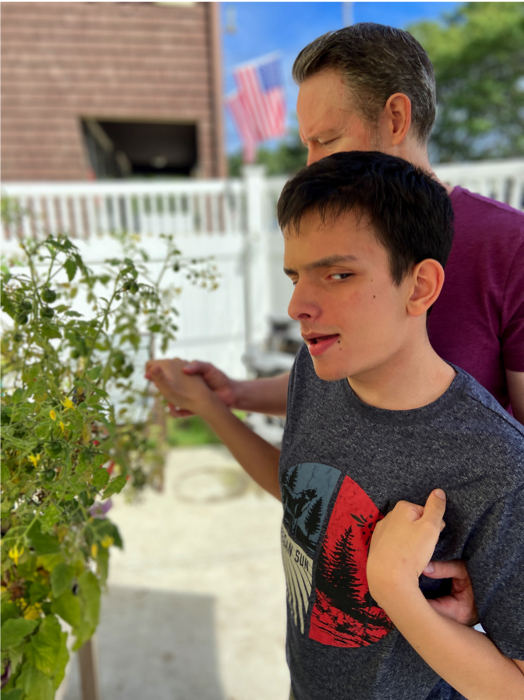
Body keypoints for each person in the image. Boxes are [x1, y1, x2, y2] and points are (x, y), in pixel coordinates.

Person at [146, 151, 524, 700]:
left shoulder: (495, 462)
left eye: (338, 274)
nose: (299, 303)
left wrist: (395, 590)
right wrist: (212, 408)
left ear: (419, 287)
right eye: (296, 275)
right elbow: (300, 494)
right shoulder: (315, 373)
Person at [175, 23, 524, 424]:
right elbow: (328, 384)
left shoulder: (509, 246)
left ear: (395, 119)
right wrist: (235, 392)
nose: (310, 165)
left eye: (327, 139)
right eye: (307, 144)